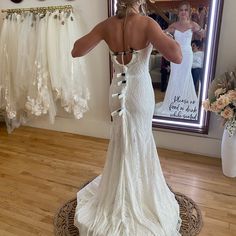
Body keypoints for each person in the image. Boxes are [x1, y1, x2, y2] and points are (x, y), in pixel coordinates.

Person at [72, 0, 182, 235]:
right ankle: (138, 197)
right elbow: (177, 55)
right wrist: (163, 36)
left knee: (121, 141)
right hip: (139, 93)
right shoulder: (148, 24)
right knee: (140, 141)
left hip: (117, 91)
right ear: (141, 0)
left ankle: (120, 192)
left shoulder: (106, 25)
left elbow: (76, 49)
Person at [155, 1, 205, 120]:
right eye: (181, 10)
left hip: (187, 55)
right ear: (178, 12)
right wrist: (165, 36)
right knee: (175, 76)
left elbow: (204, 33)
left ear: (189, 12)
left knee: (185, 76)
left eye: (185, 10)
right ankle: (173, 102)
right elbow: (161, 34)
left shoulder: (193, 25)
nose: (183, 12)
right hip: (175, 54)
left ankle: (185, 103)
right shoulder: (174, 25)